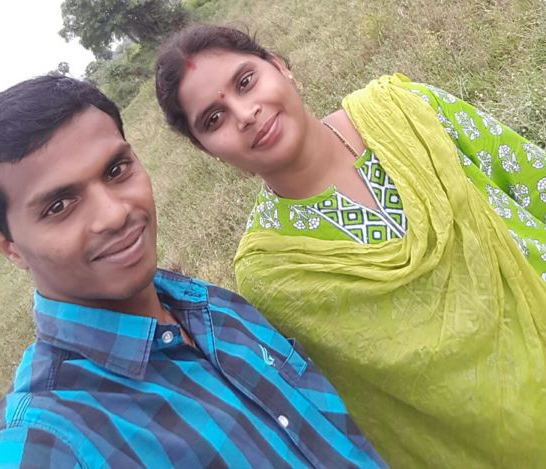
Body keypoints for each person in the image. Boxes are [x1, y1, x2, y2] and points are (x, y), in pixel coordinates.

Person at [155, 24, 546, 468]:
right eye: (214, 119)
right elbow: (374, 403)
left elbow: (532, 180)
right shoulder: (273, 270)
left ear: (280, 67)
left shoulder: (405, 111)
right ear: (209, 151)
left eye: (246, 81)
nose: (244, 114)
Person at [0, 73, 382, 468]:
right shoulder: (47, 437)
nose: (115, 214)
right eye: (59, 206)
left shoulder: (213, 306)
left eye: (116, 170)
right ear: (10, 248)